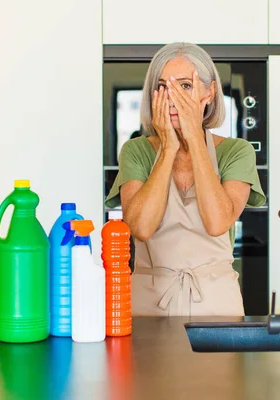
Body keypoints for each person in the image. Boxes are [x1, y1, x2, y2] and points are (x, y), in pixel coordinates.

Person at [105, 42, 266, 317]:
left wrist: (194, 136)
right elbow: (140, 227)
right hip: (148, 305)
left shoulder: (236, 151)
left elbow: (217, 222)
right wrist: (168, 148)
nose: (172, 99)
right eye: (164, 88)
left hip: (217, 306)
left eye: (185, 87)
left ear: (209, 92)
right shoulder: (136, 151)